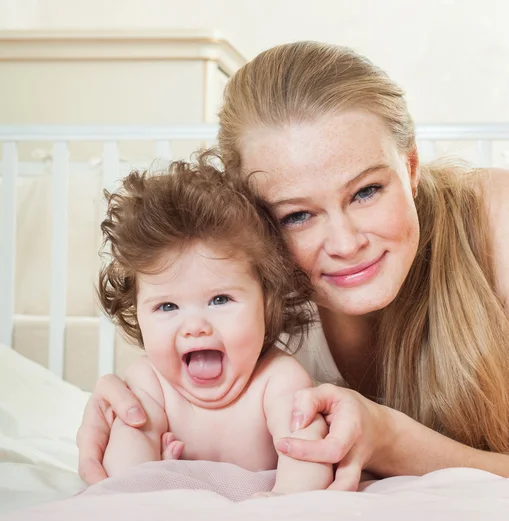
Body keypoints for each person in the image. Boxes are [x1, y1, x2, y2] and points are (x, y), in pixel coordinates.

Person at [77, 41, 509, 491]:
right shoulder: (250, 302)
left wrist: (391, 440)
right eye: (297, 215)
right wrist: (129, 415)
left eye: (366, 191)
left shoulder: (498, 224)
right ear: (253, 221)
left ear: (411, 168)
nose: (345, 243)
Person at [94, 155, 333, 494]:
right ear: (136, 313)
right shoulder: (151, 383)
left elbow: (307, 455)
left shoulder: (277, 380)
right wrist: (146, 477)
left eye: (220, 300)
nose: (195, 326)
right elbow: (124, 475)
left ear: (266, 302)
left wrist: (283, 502)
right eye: (166, 306)